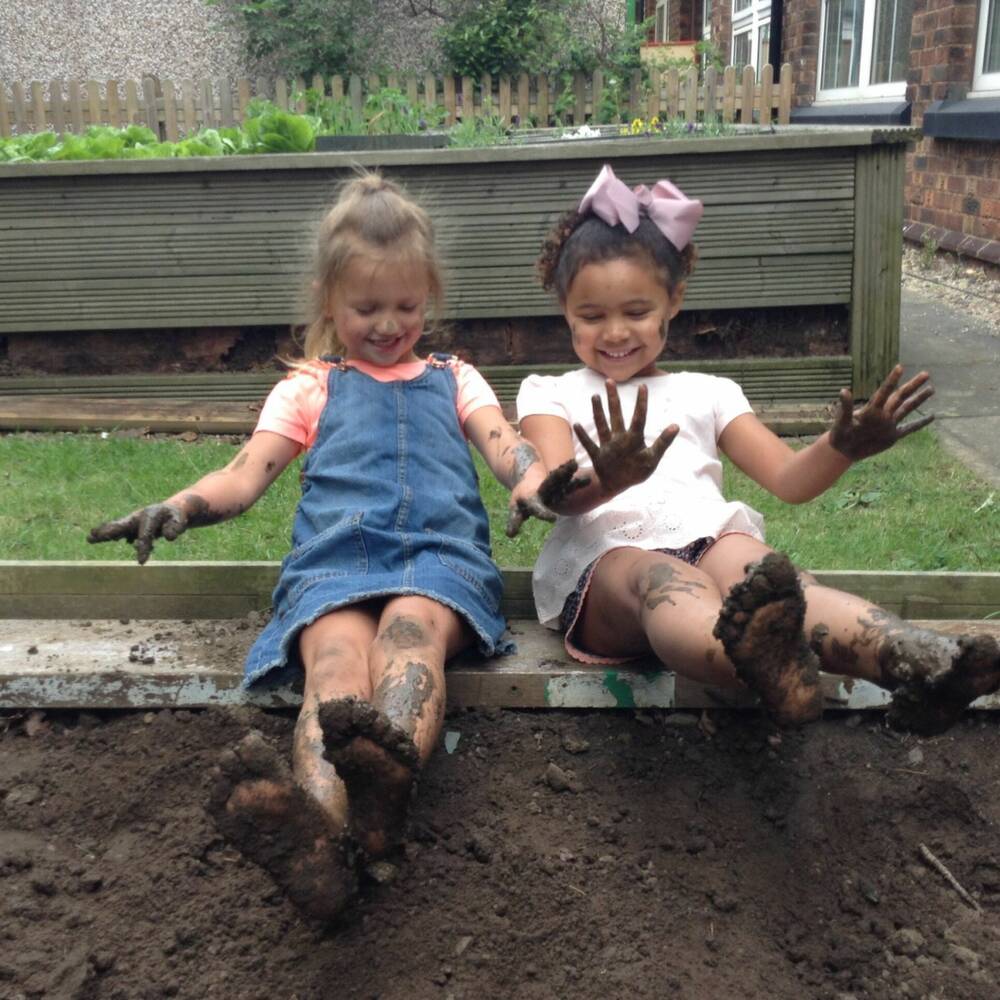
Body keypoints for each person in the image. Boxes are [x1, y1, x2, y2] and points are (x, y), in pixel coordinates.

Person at [88, 171, 563, 920]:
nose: (387, 323)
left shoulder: (455, 377)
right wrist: (179, 506)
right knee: (335, 663)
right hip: (337, 565)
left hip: (438, 562)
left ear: (429, 296)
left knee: (409, 636)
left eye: (406, 306)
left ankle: (385, 776)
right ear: (328, 300)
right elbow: (245, 477)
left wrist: (535, 483)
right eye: (366, 307)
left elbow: (507, 448)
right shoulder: (311, 385)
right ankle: (321, 834)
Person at [516, 163, 1000, 738]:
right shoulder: (551, 393)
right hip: (608, 562)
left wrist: (841, 446)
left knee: (773, 575)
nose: (615, 332)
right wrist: (610, 479)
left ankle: (916, 659)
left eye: (637, 312)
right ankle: (762, 669)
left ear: (674, 300)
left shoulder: (710, 392)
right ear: (565, 310)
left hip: (708, 537)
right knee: (662, 579)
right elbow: (552, 494)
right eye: (591, 317)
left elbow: (790, 479)